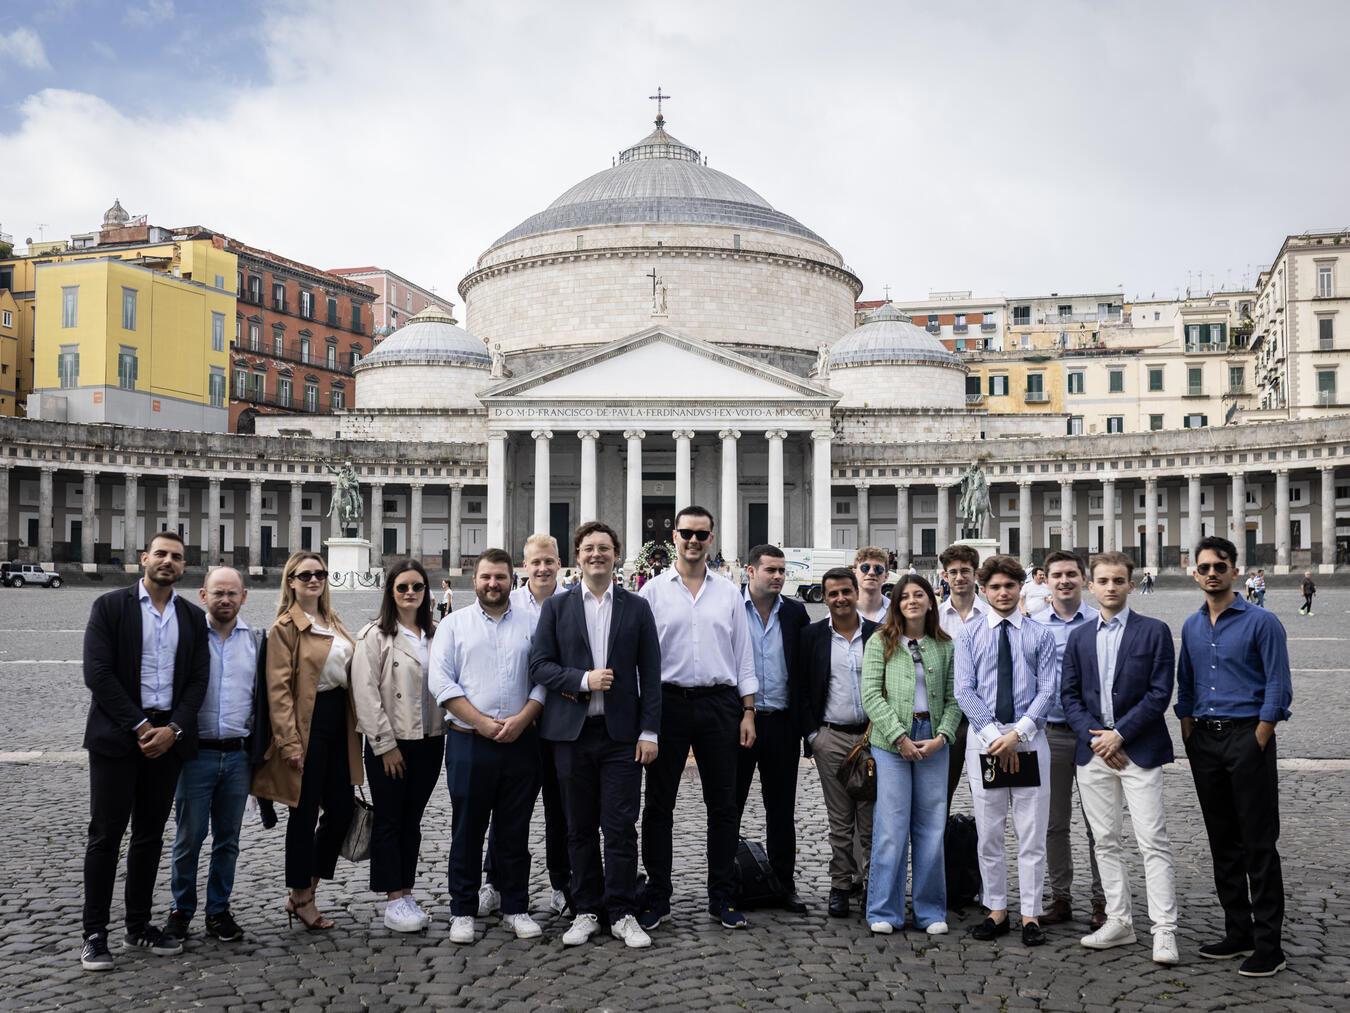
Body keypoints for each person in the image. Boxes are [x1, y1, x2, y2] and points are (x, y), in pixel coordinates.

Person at [79, 531, 210, 971]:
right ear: (143, 559)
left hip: (167, 742)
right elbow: (97, 673)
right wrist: (140, 725)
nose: (168, 562)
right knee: (105, 835)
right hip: (119, 738)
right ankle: (94, 933)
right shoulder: (110, 607)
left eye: (176, 556)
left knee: (150, 836)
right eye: (161, 554)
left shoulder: (192, 617)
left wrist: (173, 728)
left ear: (183, 565)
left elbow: (197, 681)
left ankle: (138, 925)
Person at [530, 521, 662, 948]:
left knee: (621, 825)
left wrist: (650, 731)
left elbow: (652, 676)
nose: (596, 555)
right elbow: (539, 666)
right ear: (578, 555)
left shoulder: (637, 607)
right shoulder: (556, 607)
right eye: (588, 548)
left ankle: (621, 910)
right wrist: (583, 680)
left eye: (604, 548)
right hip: (572, 734)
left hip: (622, 735)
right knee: (578, 826)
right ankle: (586, 908)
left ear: (617, 554)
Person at [1177, 536, 1293, 977]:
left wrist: (1260, 735)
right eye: (1204, 566)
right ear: (1194, 573)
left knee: (1259, 844)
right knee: (1222, 841)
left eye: (1220, 566)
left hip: (1248, 738)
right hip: (1205, 740)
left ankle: (1270, 944)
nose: (1211, 573)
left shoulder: (1263, 622)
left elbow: (1278, 686)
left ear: (1235, 571)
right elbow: (1184, 683)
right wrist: (1188, 730)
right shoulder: (1190, 626)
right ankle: (1237, 931)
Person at [638, 505, 758, 931]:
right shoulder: (651, 592)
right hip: (666, 702)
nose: (693, 540)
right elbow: (641, 661)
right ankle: (657, 895)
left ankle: (721, 897)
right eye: (686, 533)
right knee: (657, 806)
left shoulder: (728, 592)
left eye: (701, 534)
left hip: (719, 704)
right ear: (674, 536)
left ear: (711, 539)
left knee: (723, 806)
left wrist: (748, 710)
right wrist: (645, 720)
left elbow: (744, 655)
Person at [1061, 551, 1180, 965]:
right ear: (1091, 586)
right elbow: (1070, 696)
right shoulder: (1078, 637)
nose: (1110, 587)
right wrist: (1097, 738)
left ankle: (1164, 929)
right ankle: (1119, 921)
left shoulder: (1154, 631)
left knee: (1153, 841)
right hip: (1094, 751)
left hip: (1139, 750)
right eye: (1103, 581)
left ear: (1132, 584)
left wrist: (1120, 734)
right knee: (1105, 841)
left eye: (1118, 580)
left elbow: (1159, 693)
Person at [430, 548, 547, 944]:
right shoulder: (454, 625)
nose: (493, 584)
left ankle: (515, 905)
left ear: (512, 579)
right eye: (486, 577)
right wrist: (480, 722)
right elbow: (442, 684)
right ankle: (462, 909)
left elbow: (543, 678)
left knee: (514, 832)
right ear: (473, 580)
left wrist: (524, 718)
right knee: (467, 830)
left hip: (520, 739)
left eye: (500, 577)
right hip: (468, 741)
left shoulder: (533, 622)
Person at [251, 552, 363, 932]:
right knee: (303, 813)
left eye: (320, 573)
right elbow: (278, 690)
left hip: (337, 722)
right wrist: (289, 742)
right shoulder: (285, 627)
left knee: (342, 809)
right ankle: (301, 895)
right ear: (292, 582)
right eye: (306, 575)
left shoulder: (333, 620)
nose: (315, 579)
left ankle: (307, 887)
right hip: (307, 723)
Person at [954, 554, 1058, 947]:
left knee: (1031, 833)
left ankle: (1030, 914)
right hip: (985, 744)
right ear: (983, 591)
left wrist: (1017, 735)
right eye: (994, 587)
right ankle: (996, 909)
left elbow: (1047, 690)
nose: (1002, 592)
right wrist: (994, 736)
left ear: (1021, 589)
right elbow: (964, 689)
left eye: (1009, 586)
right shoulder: (968, 634)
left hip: (1029, 742)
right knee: (989, 832)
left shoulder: (1039, 634)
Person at [162, 566, 266, 949]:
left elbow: (261, 697)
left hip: (237, 755)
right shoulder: (186, 637)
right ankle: (180, 910)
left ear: (243, 597)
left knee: (229, 839)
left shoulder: (256, 640)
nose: (225, 600)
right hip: (195, 753)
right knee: (189, 838)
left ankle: (218, 910)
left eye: (232, 593)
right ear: (202, 596)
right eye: (217, 593)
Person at [477, 535, 571, 919]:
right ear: (524, 565)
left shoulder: (575, 602)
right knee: (507, 809)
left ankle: (563, 884)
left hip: (564, 724)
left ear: (560, 562)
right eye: (536, 562)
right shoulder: (507, 603)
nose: (543, 568)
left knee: (562, 809)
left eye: (549, 561)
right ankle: (494, 881)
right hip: (518, 723)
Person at [861, 575, 960, 936]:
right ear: (897, 604)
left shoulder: (945, 645)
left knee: (932, 828)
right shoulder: (880, 642)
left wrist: (943, 736)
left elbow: (954, 699)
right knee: (891, 827)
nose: (913, 601)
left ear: (932, 601)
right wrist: (899, 737)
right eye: (906, 596)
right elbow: (871, 695)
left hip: (933, 741)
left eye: (920, 595)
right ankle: (884, 909)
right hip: (891, 744)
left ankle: (930, 910)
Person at [351, 559, 444, 933]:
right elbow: (365, 694)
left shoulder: (436, 634)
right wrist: (384, 745)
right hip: (392, 742)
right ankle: (393, 898)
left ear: (426, 592)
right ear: (391, 591)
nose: (410, 593)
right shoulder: (374, 635)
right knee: (390, 819)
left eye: (417, 587)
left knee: (413, 820)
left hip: (430, 739)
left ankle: (407, 891)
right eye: (402, 586)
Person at [795, 567, 879, 918]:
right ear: (824, 597)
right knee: (840, 819)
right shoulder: (811, 636)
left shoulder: (879, 634)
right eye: (833, 594)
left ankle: (875, 885)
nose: (841, 599)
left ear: (857, 592)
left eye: (846, 591)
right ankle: (841, 885)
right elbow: (798, 688)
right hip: (832, 736)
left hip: (873, 739)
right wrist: (815, 736)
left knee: (872, 819)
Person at [735, 544, 811, 914]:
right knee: (728, 807)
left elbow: (805, 669)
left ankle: (784, 884)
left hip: (782, 723)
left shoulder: (795, 613)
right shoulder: (730, 609)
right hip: (739, 724)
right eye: (771, 570)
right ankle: (727, 883)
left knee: (781, 809)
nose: (779, 576)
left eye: (782, 570)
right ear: (751, 571)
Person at [1035, 550, 1106, 930]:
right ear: (1045, 580)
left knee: (1100, 824)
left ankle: (1102, 900)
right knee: (1054, 823)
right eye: (1056, 575)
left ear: (1084, 580)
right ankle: (1060, 896)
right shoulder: (1033, 625)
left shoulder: (1100, 622)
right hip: (1051, 733)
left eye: (1071, 574)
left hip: (1093, 735)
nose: (1064, 581)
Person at [937, 543, 987, 809]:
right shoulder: (934, 618)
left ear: (976, 574)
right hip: (948, 716)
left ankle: (983, 850)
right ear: (944, 576)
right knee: (941, 793)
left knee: (986, 795)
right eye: (953, 572)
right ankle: (940, 849)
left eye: (965, 571)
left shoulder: (991, 616)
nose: (959, 577)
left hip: (986, 715)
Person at [854, 546, 891, 623]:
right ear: (855, 573)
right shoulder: (840, 612)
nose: (871, 572)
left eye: (878, 569)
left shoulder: (898, 611)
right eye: (865, 568)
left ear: (886, 576)